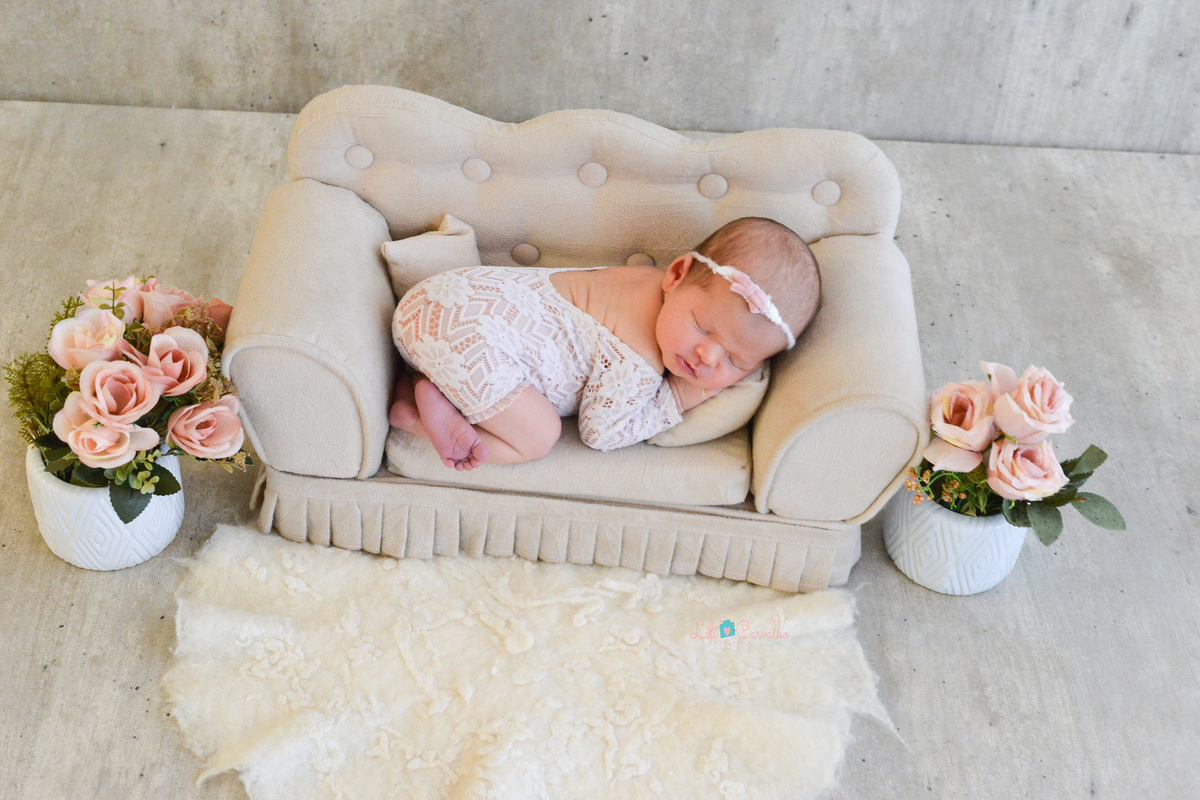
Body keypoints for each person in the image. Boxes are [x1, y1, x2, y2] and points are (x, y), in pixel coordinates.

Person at [388, 216, 820, 470]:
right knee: (537, 436)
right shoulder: (639, 361)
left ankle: (425, 385)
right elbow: (601, 432)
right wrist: (679, 398)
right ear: (677, 274)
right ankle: (418, 420)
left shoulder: (641, 284)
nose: (707, 356)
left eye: (735, 360)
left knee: (498, 374)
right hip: (470, 335)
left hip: (432, 300)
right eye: (703, 328)